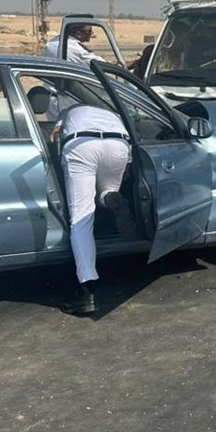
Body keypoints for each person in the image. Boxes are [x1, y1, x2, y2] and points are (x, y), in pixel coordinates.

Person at [50, 101, 131, 315]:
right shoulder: (108, 105)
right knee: (108, 189)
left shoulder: (68, 111)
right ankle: (110, 198)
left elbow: (54, 133)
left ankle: (88, 290)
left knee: (81, 219)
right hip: (118, 143)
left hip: (81, 144)